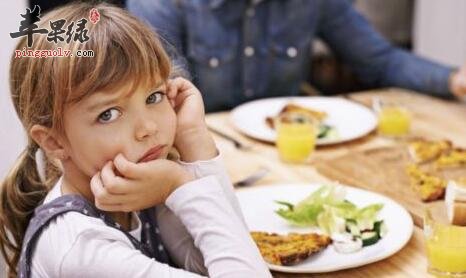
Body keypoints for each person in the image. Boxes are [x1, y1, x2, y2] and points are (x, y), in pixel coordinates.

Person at [0, 3, 271, 277]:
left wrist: (194, 140)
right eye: (109, 114)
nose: (148, 128)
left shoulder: (144, 191)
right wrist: (180, 184)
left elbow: (222, 256)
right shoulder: (80, 250)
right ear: (53, 142)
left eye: (154, 96)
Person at [127, 0, 466, 112]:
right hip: (196, 156)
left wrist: (453, 79)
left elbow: (380, 61)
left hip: (291, 149)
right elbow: (163, 93)